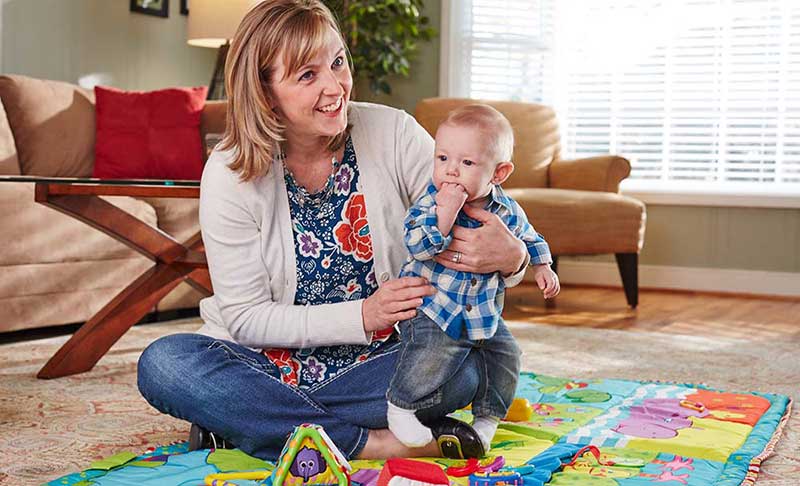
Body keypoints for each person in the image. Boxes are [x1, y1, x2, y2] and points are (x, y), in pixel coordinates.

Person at [136, 0, 534, 462]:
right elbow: (245, 319)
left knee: (465, 364)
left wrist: (515, 260)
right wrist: (364, 314)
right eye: (307, 75)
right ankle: (373, 442)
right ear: (265, 91)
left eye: (338, 62)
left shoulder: (393, 132)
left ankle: (250, 423)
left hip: (383, 360)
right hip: (266, 364)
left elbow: (483, 220)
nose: (335, 86)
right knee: (165, 364)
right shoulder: (229, 173)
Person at [386, 105, 560, 456]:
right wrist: (446, 213)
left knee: (506, 355)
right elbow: (419, 246)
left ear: (499, 173)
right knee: (434, 353)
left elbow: (529, 237)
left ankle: (487, 419)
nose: (450, 170)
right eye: (443, 158)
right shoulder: (430, 204)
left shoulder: (507, 209)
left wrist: (542, 266)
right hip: (434, 307)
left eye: (466, 163)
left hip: (483, 312)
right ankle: (401, 406)